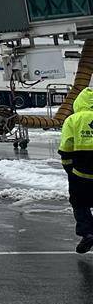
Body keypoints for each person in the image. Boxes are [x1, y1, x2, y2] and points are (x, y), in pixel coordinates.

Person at [59, 85, 93, 253]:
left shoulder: (73, 120)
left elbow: (66, 147)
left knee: (79, 203)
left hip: (81, 173)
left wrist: (69, 169)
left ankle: (87, 233)